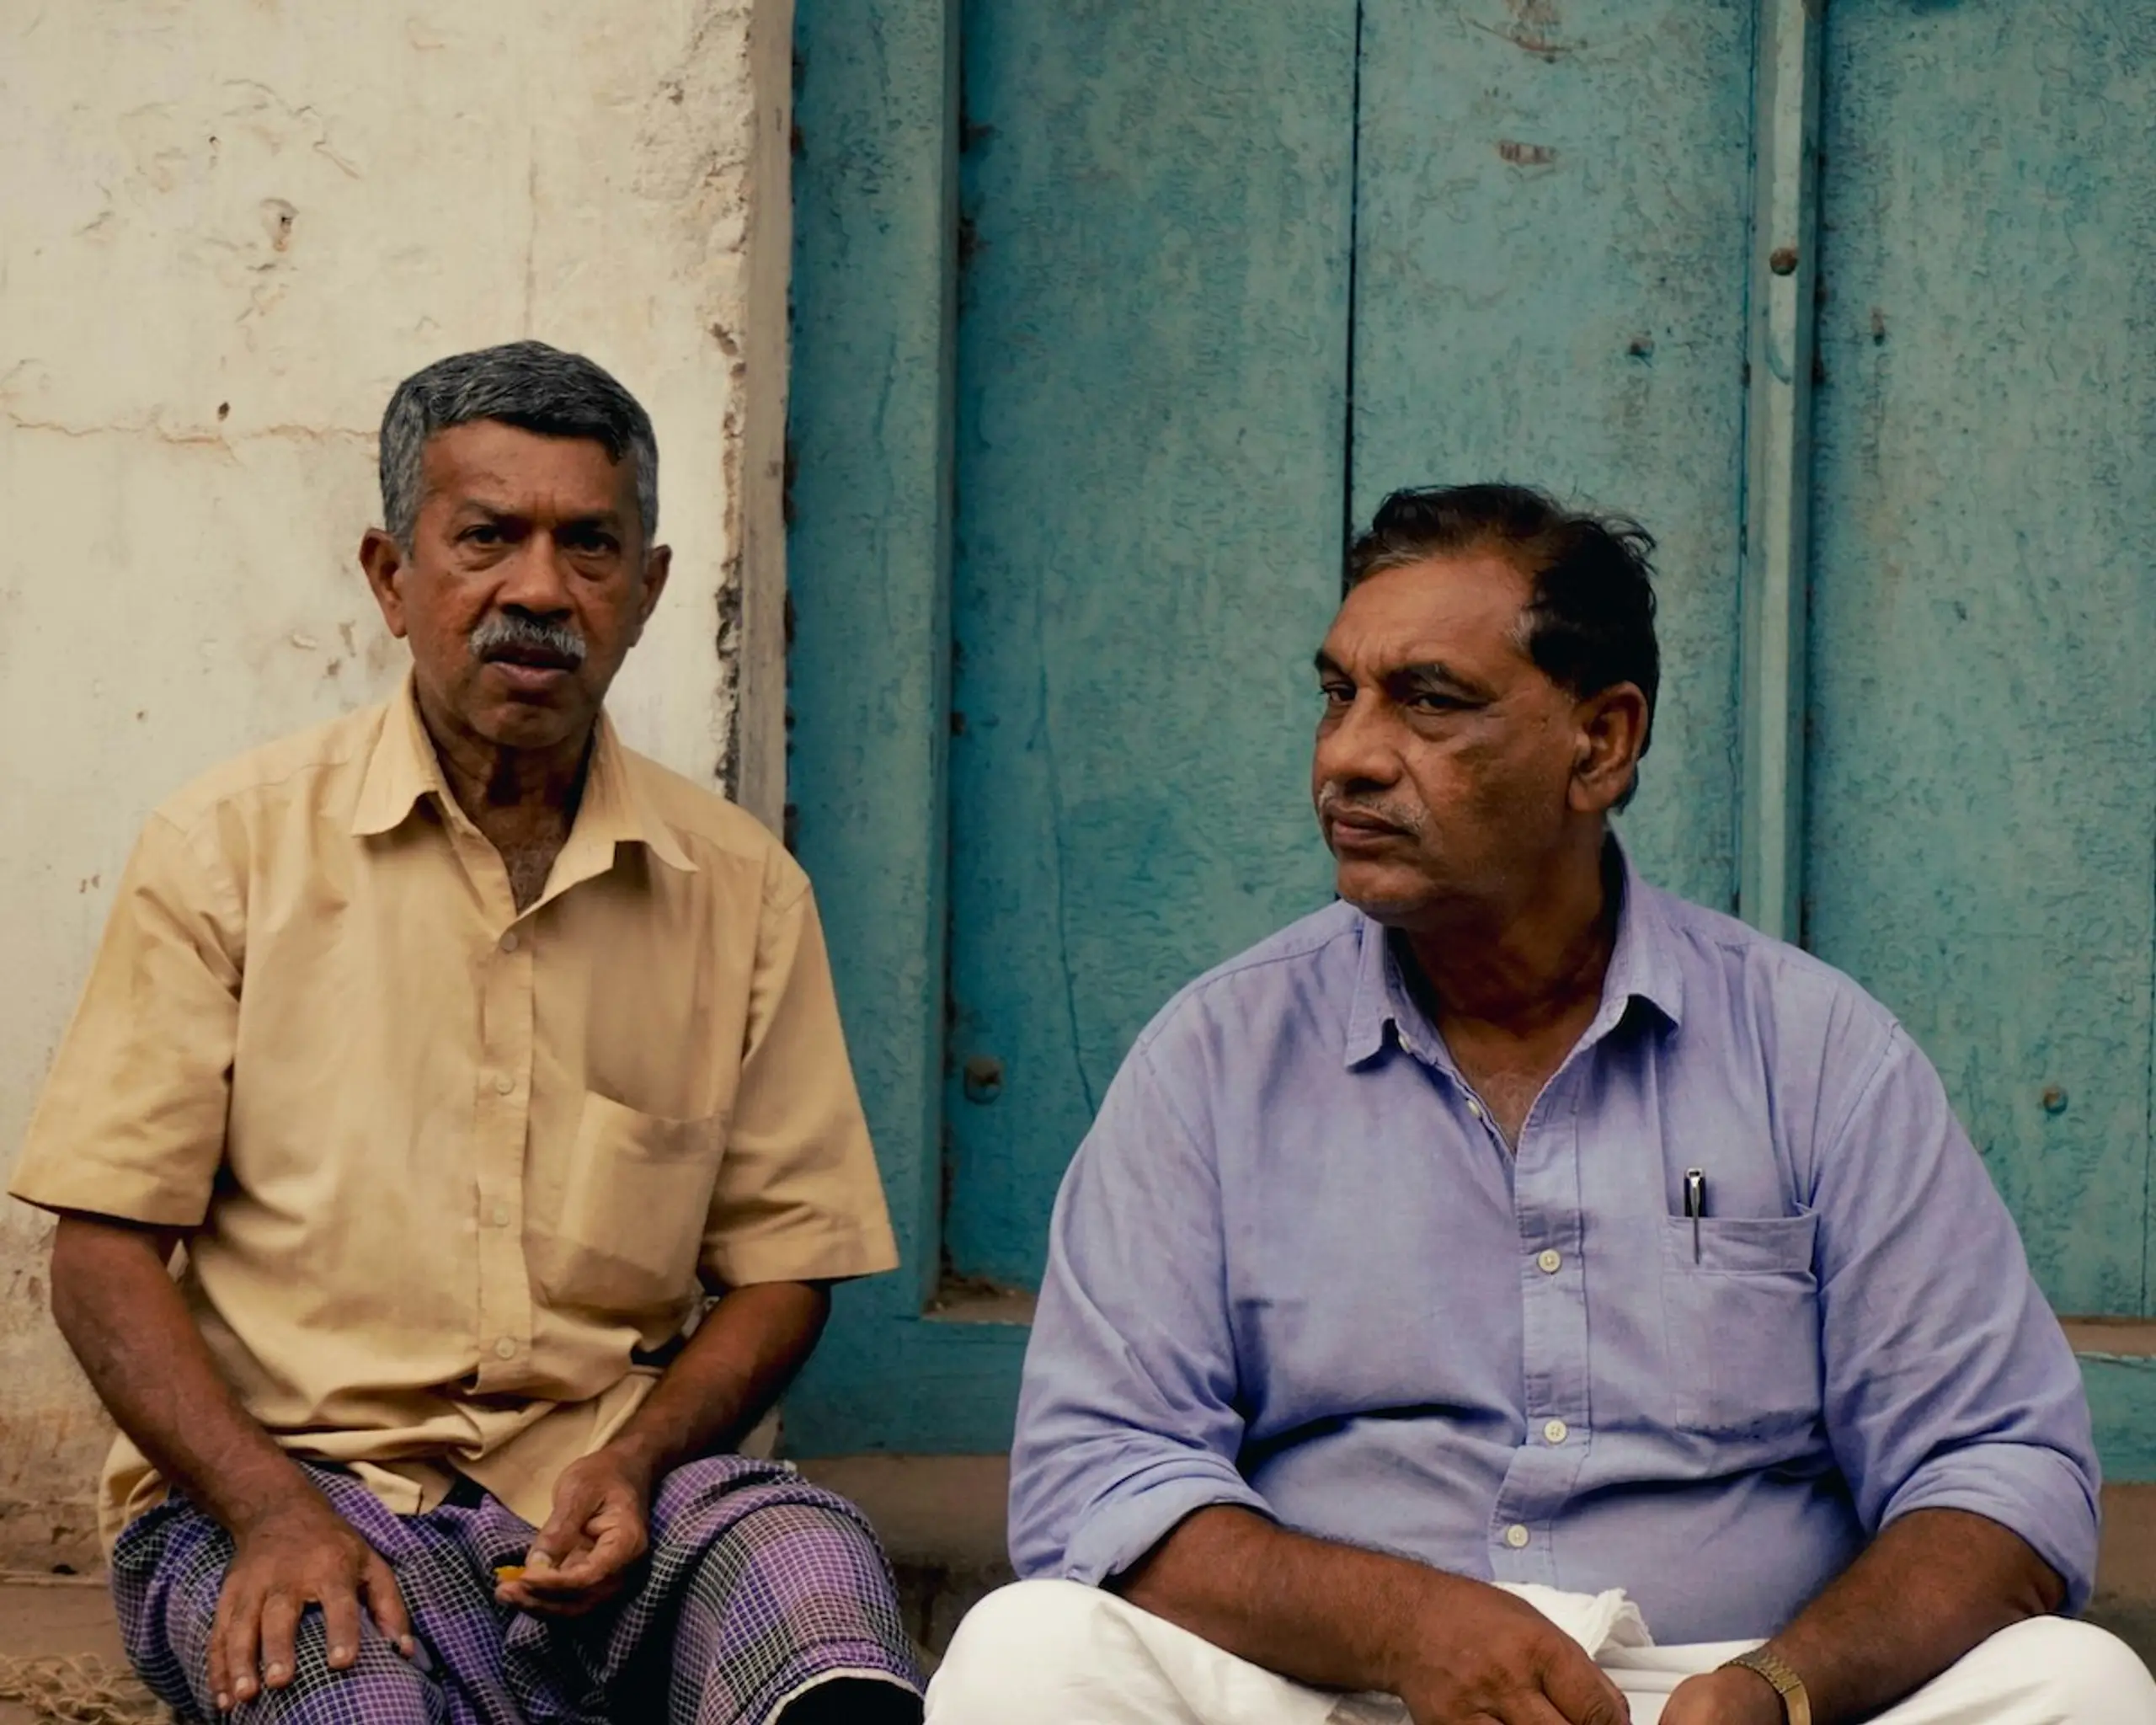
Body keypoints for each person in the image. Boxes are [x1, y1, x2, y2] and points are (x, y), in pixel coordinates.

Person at [926, 485, 2156, 1725]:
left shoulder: (1817, 1054)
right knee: (1024, 1655)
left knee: (2084, 1686)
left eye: (1428, 701)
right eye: (1339, 695)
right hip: (1340, 1687)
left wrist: (1780, 1690)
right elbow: (1101, 1474)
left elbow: (1999, 1469)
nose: (1349, 755)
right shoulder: (1216, 1058)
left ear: (1601, 743)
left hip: (1719, 1691)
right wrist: (1406, 1629)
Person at [12, 341, 924, 1725]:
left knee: (820, 1597)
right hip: (284, 1490)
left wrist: (640, 1462)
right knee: (347, 1699)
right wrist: (265, 1509)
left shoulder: (740, 891)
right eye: (488, 538)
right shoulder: (226, 853)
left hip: (606, 1497)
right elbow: (100, 1258)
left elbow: (784, 1270)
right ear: (392, 578)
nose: (540, 591)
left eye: (589, 546)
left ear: (648, 592)